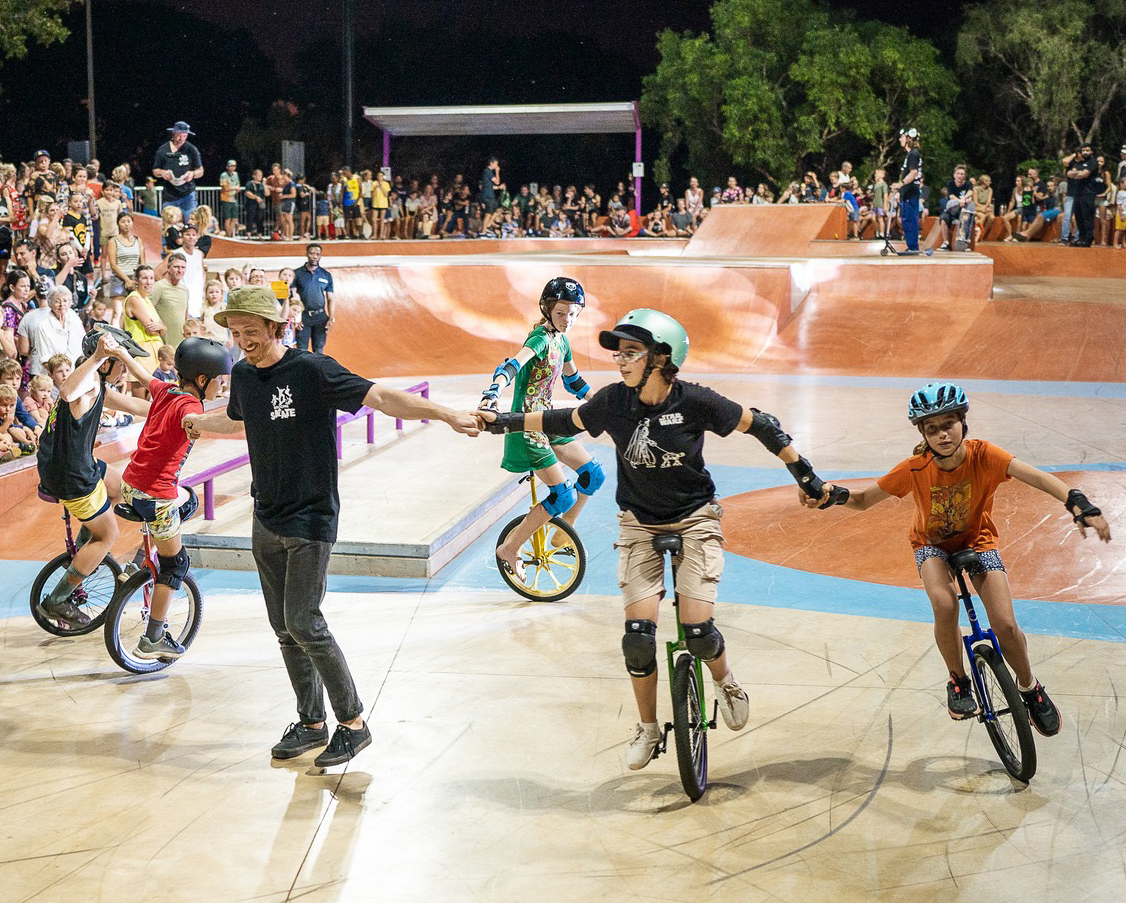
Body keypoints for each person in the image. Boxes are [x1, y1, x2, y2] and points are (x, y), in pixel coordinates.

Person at [480, 308, 838, 772]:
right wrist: (498, 422)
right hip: (639, 525)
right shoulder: (614, 401)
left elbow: (763, 425)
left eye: (631, 352)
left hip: (695, 520)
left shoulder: (695, 401)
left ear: (662, 357)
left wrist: (807, 477)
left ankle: (726, 681)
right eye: (618, 353)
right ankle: (648, 728)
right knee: (637, 639)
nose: (620, 361)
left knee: (699, 633)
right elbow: (560, 419)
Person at [182, 286, 480, 767]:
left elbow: (380, 396)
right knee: (283, 627)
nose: (243, 341)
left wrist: (445, 413)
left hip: (311, 516)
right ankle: (311, 722)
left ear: (277, 328)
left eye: (251, 332)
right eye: (235, 334)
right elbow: (239, 421)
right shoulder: (241, 375)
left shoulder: (312, 371)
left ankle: (353, 723)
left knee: (304, 621)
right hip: (266, 516)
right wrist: (194, 423)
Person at [804, 383, 1110, 733]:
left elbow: (1038, 478)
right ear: (922, 433)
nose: (941, 434)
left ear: (964, 423)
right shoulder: (914, 468)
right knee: (944, 603)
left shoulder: (985, 455)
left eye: (948, 424)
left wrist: (1078, 503)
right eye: (931, 429)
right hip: (930, 546)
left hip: (978, 541)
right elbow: (861, 500)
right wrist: (831, 496)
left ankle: (1030, 687)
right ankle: (958, 680)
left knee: (1006, 626)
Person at [478, 278, 601, 581]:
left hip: (548, 421)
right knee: (562, 495)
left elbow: (573, 381)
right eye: (561, 314)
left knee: (593, 475)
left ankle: (564, 530)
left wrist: (599, 403)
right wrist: (492, 393)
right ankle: (511, 548)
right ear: (547, 310)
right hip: (527, 426)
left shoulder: (563, 341)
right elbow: (513, 365)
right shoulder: (541, 339)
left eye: (573, 314)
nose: (568, 320)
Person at [117, 336, 231, 660]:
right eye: (219, 380)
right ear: (202, 379)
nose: (221, 386)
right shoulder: (191, 406)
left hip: (131, 482)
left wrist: (121, 352)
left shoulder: (167, 389)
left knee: (190, 499)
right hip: (154, 495)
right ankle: (153, 637)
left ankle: (141, 559)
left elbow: (143, 376)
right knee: (176, 564)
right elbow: (192, 420)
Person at [35, 332, 152, 628]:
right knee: (108, 536)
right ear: (103, 363)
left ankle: (88, 546)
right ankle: (58, 600)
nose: (124, 369)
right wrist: (98, 355)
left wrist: (180, 411)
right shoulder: (85, 387)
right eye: (120, 364)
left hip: (71, 464)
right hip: (70, 475)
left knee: (119, 486)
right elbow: (66, 392)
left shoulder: (98, 385)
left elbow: (140, 407)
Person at [151, 121, 204, 224]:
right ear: (173, 134)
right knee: (168, 226)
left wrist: (192, 174)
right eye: (179, 135)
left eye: (184, 136)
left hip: (188, 194)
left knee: (191, 224)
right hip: (170, 195)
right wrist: (162, 172)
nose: (181, 139)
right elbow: (155, 170)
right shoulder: (162, 150)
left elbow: (200, 170)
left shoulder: (191, 150)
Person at [288, 244, 336, 354]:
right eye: (312, 253)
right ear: (307, 254)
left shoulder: (326, 275)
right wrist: (297, 317)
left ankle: (317, 371)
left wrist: (331, 318)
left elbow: (331, 298)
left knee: (319, 349)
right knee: (301, 349)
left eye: (317, 254)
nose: (314, 256)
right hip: (304, 317)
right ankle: (303, 371)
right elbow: (294, 296)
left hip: (321, 317)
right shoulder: (297, 273)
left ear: (321, 256)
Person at [1065, 143, 1104, 247]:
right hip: (1077, 193)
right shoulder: (1079, 163)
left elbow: (1085, 174)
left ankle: (1088, 239)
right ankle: (1081, 239)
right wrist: (1078, 173)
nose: (1085, 152)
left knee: (1087, 217)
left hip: (1088, 193)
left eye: (1087, 150)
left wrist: (1076, 174)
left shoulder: (1093, 162)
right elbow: (1069, 173)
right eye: (1083, 151)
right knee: (1079, 217)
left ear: (1091, 152)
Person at [150, 251, 191, 348]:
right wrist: (159, 325)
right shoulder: (158, 287)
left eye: (183, 267)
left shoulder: (185, 290)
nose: (180, 270)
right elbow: (146, 308)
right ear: (168, 268)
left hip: (180, 344)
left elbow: (186, 315)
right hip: (162, 343)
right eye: (176, 267)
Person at [895, 128, 923, 254]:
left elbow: (913, 173)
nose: (900, 139)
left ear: (908, 139)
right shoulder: (910, 154)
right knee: (906, 220)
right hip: (906, 193)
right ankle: (911, 246)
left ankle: (913, 247)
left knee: (910, 220)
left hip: (911, 192)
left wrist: (900, 184)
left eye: (902, 137)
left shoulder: (913, 154)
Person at [219, 160, 241, 238]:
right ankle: (228, 235)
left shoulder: (235, 174)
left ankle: (230, 234)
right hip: (226, 199)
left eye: (234, 166)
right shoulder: (224, 175)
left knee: (234, 218)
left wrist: (237, 188)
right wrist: (235, 188)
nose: (232, 168)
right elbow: (225, 188)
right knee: (227, 218)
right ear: (227, 167)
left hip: (233, 198)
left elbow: (237, 183)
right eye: (231, 166)